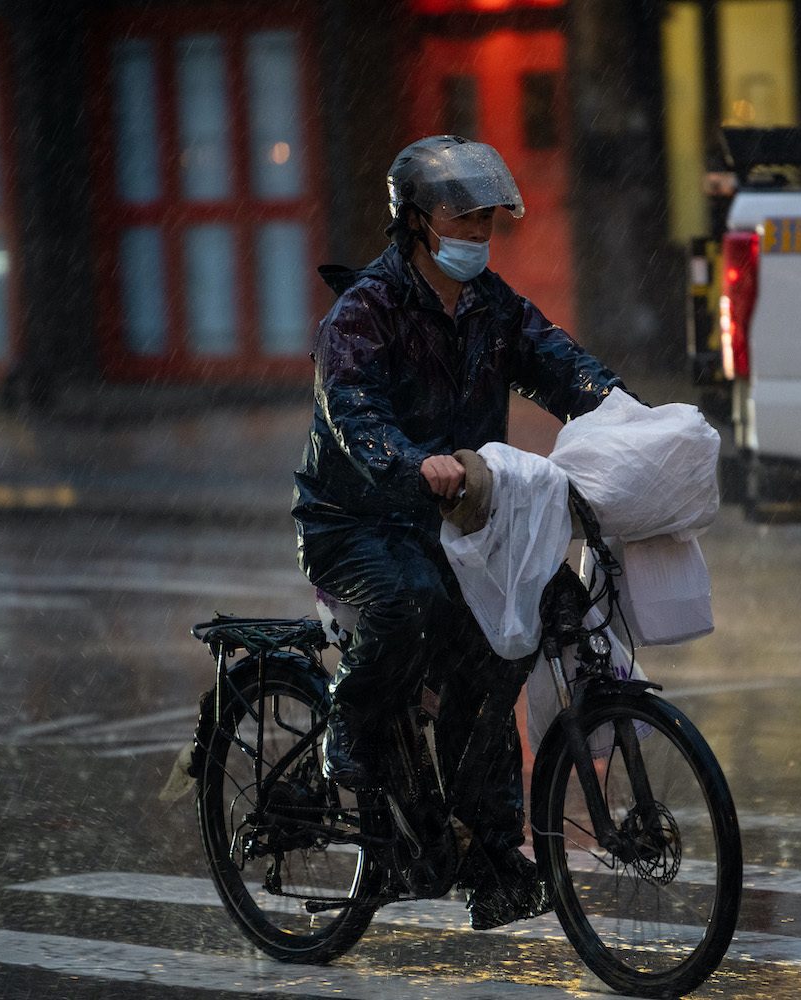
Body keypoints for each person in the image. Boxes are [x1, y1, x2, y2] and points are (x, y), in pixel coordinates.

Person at [291, 135, 628, 929]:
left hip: (458, 523)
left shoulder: (490, 308)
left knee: (500, 649)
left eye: (487, 220)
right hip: (358, 522)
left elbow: (562, 365)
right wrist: (416, 464)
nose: (478, 233)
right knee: (409, 608)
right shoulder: (361, 316)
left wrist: (629, 417)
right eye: (462, 217)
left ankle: (489, 853)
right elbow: (357, 419)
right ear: (413, 222)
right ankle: (352, 723)